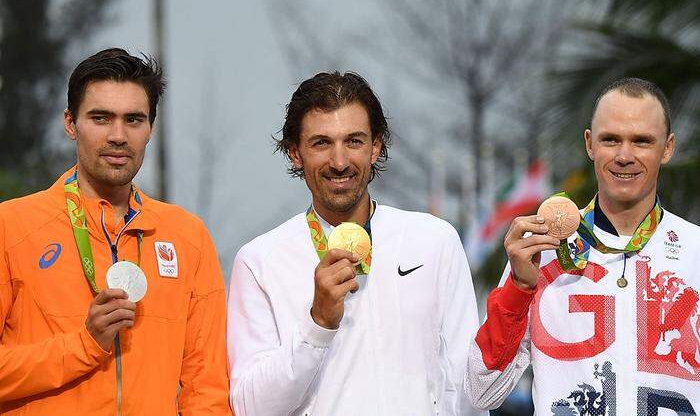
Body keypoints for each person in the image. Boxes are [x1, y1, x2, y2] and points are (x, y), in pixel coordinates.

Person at [227, 71, 484, 415]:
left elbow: (466, 387)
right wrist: (316, 323)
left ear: (376, 146)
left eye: (354, 141)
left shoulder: (434, 241)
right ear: (295, 153)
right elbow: (250, 407)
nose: (339, 162)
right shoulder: (258, 261)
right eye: (321, 143)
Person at [0, 48, 231, 415]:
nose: (119, 136)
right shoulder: (11, 227)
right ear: (70, 123)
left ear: (150, 128)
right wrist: (85, 344)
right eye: (101, 118)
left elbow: (207, 388)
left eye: (134, 120)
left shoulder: (188, 238)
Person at [467, 77, 700, 414]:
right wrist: (519, 288)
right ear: (590, 144)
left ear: (667, 148)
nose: (624, 155)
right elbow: (480, 392)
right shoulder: (542, 248)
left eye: (642, 141)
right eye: (611, 139)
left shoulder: (695, 251)